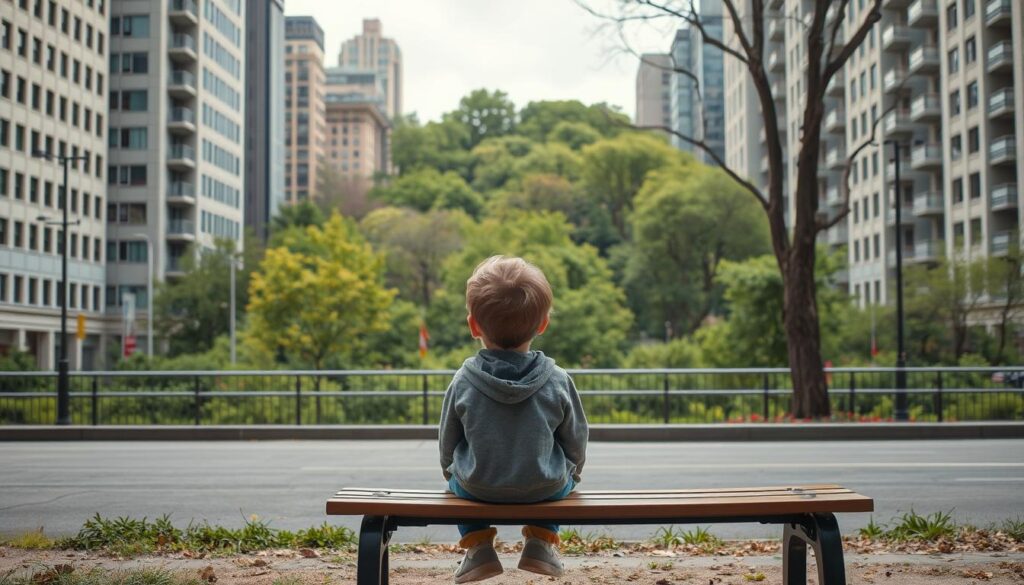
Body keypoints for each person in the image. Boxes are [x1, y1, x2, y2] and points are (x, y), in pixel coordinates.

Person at [438, 255, 589, 583]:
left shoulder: (464, 380)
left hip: (477, 486)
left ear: (473, 325)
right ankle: (541, 541)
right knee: (558, 473)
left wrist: (453, 472)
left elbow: (448, 444)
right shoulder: (558, 379)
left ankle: (478, 547)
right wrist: (572, 473)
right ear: (543, 324)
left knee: (454, 481)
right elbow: (575, 438)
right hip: (545, 486)